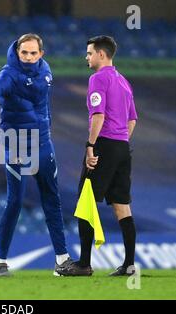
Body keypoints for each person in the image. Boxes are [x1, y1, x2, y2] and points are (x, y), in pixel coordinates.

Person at [0, 34, 72, 277]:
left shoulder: (45, 69)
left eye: (34, 53)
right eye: (25, 53)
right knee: (15, 201)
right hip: (18, 146)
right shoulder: (10, 73)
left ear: (41, 54)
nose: (29, 58)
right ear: (18, 52)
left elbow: (42, 105)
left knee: (52, 200)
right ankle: (0, 262)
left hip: (43, 143)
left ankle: (62, 260)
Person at [59, 35, 138, 277]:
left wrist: (91, 146)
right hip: (122, 147)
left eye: (89, 53)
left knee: (86, 202)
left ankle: (83, 264)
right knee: (122, 206)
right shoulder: (124, 81)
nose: (87, 57)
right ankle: (129, 265)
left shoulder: (97, 79)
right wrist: (121, 142)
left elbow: (98, 116)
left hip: (103, 146)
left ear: (101, 54)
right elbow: (132, 119)